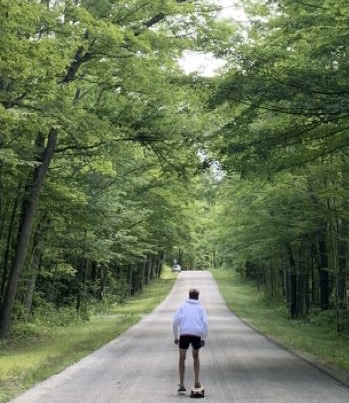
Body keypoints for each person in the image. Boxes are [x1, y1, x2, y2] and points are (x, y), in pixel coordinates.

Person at [173, 288, 208, 393]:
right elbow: (205, 323)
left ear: (189, 296)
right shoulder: (201, 308)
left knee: (182, 358)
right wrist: (203, 338)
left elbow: (175, 322)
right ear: (198, 297)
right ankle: (197, 381)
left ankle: (182, 384)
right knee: (196, 356)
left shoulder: (182, 306)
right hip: (196, 333)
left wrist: (176, 336)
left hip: (184, 333)